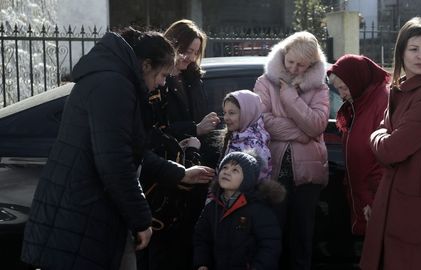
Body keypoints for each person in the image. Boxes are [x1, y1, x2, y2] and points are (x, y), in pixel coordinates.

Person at [21, 27, 214, 270]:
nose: (162, 84)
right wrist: (142, 220)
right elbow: (115, 162)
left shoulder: (114, 80)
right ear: (145, 65)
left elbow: (129, 150)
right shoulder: (115, 86)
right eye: (162, 75)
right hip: (83, 214)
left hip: (85, 212)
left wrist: (180, 173)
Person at [360, 17, 421, 270]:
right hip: (393, 205)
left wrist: (375, 135)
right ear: (401, 52)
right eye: (414, 49)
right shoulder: (402, 89)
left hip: (415, 212)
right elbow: (387, 139)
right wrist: (381, 135)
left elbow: (390, 150)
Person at [136, 19, 219, 270]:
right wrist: (194, 129)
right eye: (185, 50)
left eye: (195, 52)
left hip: (194, 168)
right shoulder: (158, 83)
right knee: (163, 248)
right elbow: (152, 131)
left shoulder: (194, 79)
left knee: (187, 243)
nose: (189, 57)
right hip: (166, 175)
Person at [253, 31, 330, 270]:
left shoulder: (319, 87)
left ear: (312, 64)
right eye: (291, 62)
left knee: (302, 240)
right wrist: (303, 133)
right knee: (272, 238)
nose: (295, 68)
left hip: (308, 175)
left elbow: (318, 124)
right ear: (284, 54)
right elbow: (261, 122)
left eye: (302, 64)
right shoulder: (264, 82)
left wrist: (288, 96)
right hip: (273, 170)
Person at [327, 54, 390, 235]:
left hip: (374, 201)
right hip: (362, 198)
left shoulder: (381, 102)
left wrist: (375, 201)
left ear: (356, 80)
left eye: (344, 88)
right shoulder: (360, 101)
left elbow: (384, 158)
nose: (341, 95)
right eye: (338, 89)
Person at [193, 151, 285, 270]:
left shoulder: (259, 209)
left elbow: (270, 246)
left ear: (248, 179)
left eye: (235, 170)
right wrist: (202, 263)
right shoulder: (212, 207)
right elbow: (201, 238)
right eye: (225, 167)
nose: (227, 172)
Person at [219, 89, 272, 181]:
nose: (226, 118)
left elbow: (256, 183)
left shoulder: (256, 145)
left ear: (247, 113)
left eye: (231, 113)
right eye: (224, 113)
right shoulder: (234, 137)